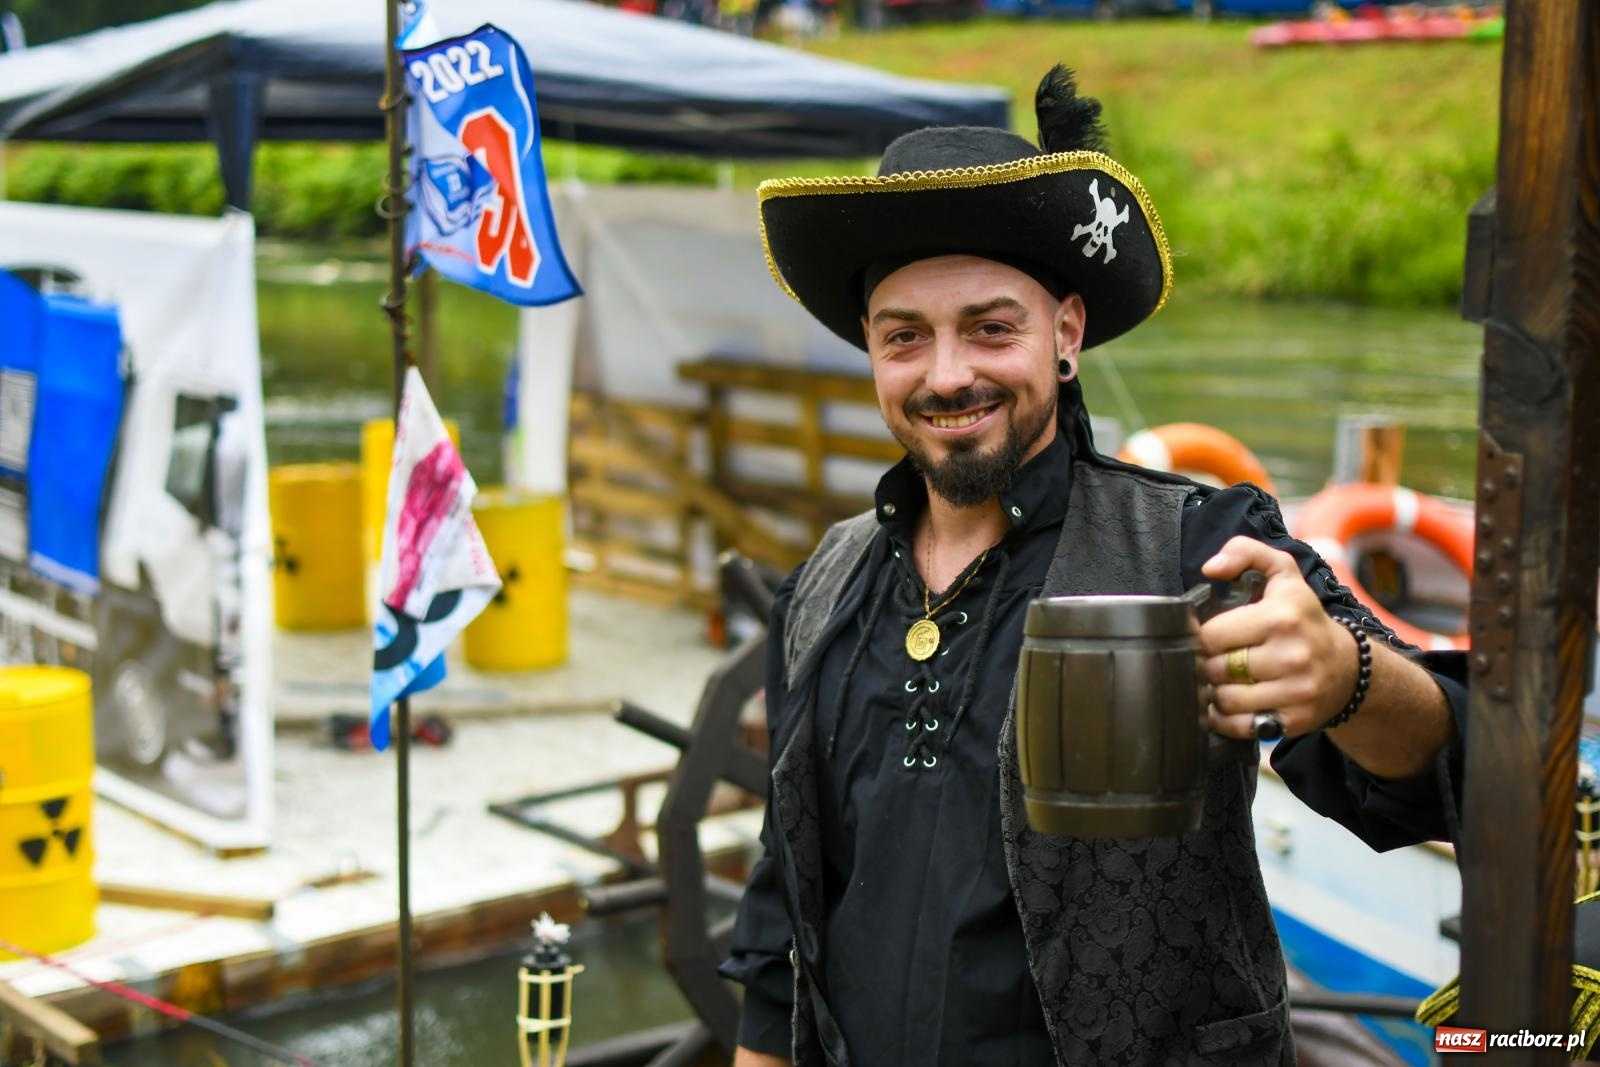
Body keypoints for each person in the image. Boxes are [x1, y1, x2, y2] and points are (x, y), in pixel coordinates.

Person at [719, 65, 1468, 1066]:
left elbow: (1443, 769)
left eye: (990, 326)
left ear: (1065, 332)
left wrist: (1346, 675)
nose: (947, 373)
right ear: (870, 347)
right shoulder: (820, 581)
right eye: (907, 336)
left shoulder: (1201, 543)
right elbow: (784, 919)